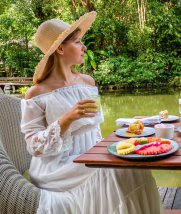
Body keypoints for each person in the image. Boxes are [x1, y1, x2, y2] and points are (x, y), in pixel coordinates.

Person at [20, 11, 162, 214]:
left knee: (134, 167)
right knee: (117, 173)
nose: (83, 47)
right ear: (60, 48)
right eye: (77, 42)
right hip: (58, 167)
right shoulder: (37, 93)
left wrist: (112, 147)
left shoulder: (87, 82)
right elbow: (33, 146)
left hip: (91, 155)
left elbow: (94, 131)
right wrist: (66, 120)